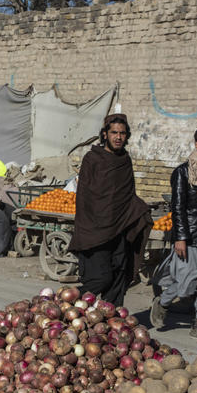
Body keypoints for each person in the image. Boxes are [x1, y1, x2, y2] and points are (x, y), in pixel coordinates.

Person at [150, 126, 197, 338]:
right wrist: (180, 238)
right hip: (191, 235)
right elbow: (178, 208)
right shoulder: (183, 172)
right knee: (186, 283)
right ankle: (163, 302)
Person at [67, 113, 150, 306]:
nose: (118, 137)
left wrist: (139, 210)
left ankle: (110, 320)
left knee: (119, 275)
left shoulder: (125, 160)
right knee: (100, 278)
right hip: (95, 230)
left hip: (119, 228)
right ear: (105, 134)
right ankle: (68, 301)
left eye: (122, 133)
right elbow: (85, 197)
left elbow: (127, 194)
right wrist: (88, 227)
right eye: (114, 132)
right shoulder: (93, 159)